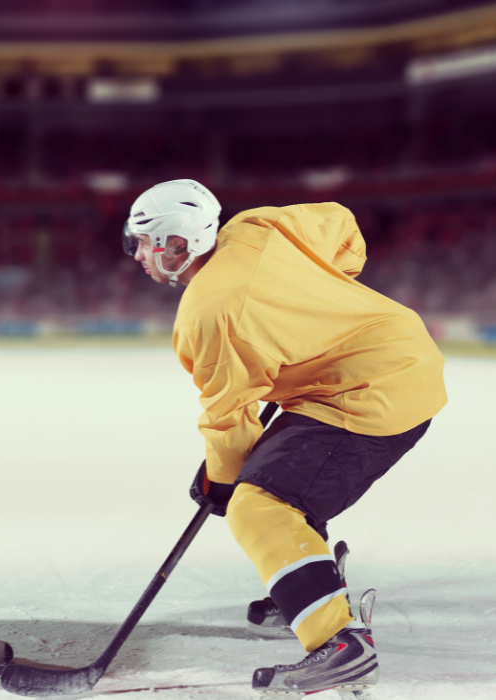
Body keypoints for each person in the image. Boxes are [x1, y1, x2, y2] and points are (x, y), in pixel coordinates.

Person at [121, 180, 447, 699]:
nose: (137, 255)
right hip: (392, 356)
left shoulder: (208, 311)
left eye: (144, 243)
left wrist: (222, 483)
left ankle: (341, 643)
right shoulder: (256, 228)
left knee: (260, 503)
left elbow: (230, 419)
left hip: (370, 391)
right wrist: (314, 303)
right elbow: (341, 223)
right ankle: (309, 586)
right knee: (278, 471)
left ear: (179, 245)